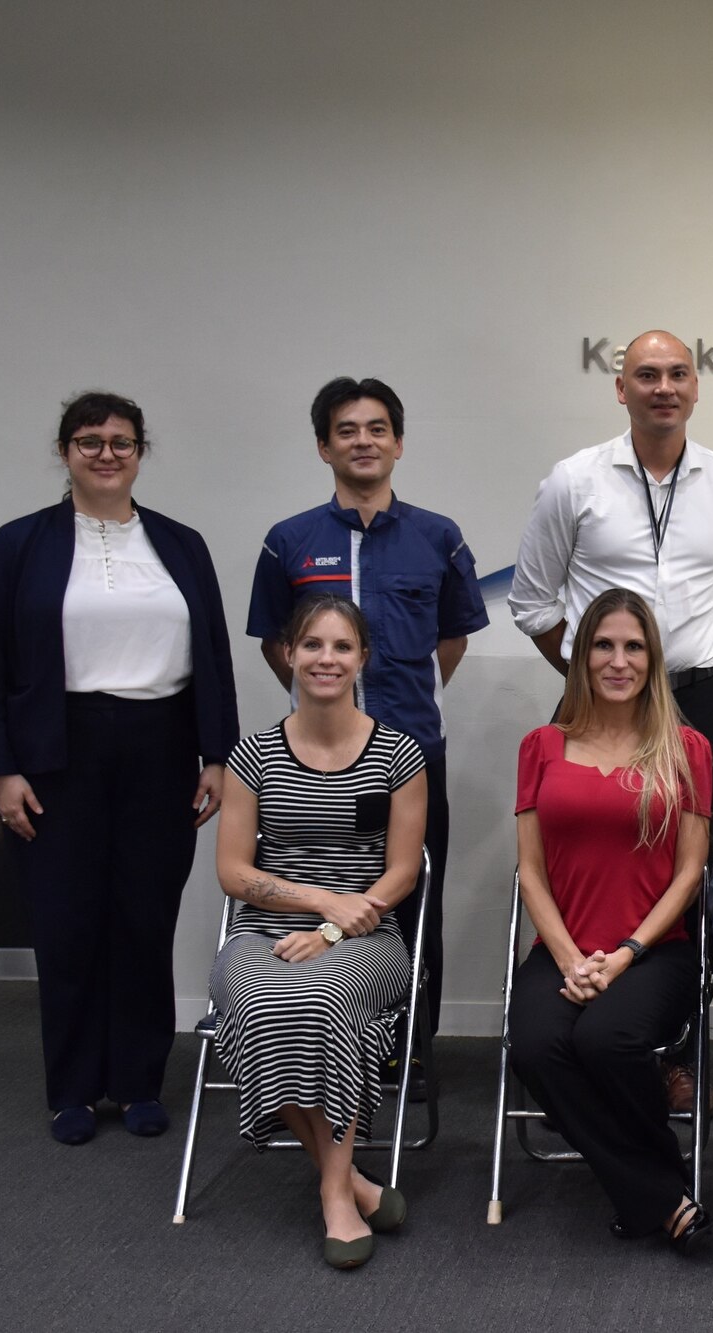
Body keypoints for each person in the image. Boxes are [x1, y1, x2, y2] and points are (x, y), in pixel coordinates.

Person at [0, 391, 238, 1146]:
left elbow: (211, 655)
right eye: (89, 441)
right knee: (68, 919)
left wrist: (218, 754)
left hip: (160, 745)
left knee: (143, 917)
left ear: (140, 451)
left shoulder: (181, 544)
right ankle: (75, 1088)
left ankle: (138, 1081)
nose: (106, 453)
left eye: (121, 441)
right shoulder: (19, 544)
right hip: (56, 752)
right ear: (65, 452)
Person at [510, 328, 713, 1113]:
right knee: (581, 862)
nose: (664, 386)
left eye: (678, 374)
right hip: (596, 705)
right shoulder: (574, 480)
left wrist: (665, 676)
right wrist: (605, 681)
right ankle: (579, 1005)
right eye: (646, 374)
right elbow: (532, 601)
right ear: (619, 388)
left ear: (697, 388)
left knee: (696, 875)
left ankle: (669, 1049)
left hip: (699, 698)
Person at [247, 377, 487, 1088]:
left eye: (377, 428)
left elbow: (451, 640)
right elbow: (277, 645)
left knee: (410, 899)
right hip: (313, 765)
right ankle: (317, 1036)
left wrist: (390, 717)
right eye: (347, 429)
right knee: (318, 888)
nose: (363, 440)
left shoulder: (438, 537)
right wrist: (328, 712)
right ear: (324, 445)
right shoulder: (288, 541)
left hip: (409, 760)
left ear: (399, 443)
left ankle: (409, 1047)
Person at [211, 596, 428, 1270]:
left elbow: (402, 872)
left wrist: (334, 928)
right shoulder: (252, 754)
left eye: (341, 646)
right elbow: (232, 870)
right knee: (262, 1000)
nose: (325, 659)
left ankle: (334, 1191)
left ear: (362, 657)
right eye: (312, 645)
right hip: (261, 934)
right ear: (288, 653)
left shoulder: (399, 753)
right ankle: (353, 1182)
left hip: (365, 938)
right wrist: (317, 900)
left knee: (325, 1001)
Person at [506, 588, 713, 1251]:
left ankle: (642, 1190)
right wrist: (569, 957)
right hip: (563, 946)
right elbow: (530, 872)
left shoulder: (688, 747)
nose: (617, 660)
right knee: (537, 1044)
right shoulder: (542, 745)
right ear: (581, 654)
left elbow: (690, 872)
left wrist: (622, 953)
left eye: (633, 646)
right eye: (603, 644)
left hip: (655, 951)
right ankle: (660, 1189)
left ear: (653, 659)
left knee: (604, 1040)